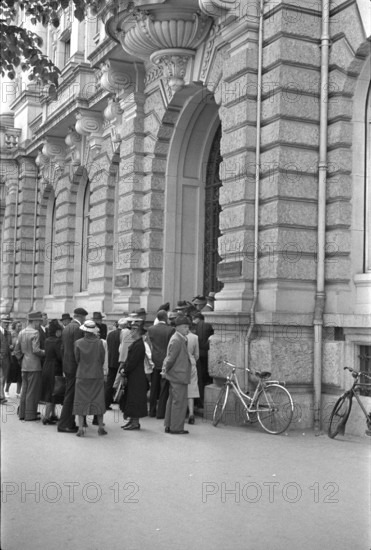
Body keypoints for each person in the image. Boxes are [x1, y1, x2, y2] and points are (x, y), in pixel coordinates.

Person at [73, 320, 107, 437]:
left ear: (84, 330)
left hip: (82, 374)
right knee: (98, 400)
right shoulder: (99, 343)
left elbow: (77, 359)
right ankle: (101, 427)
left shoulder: (78, 343)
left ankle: (81, 428)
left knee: (80, 401)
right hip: (96, 374)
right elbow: (102, 359)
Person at [57, 307, 87, 433]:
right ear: (81, 317)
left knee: (70, 394)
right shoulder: (78, 329)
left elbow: (63, 349)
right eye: (85, 317)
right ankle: (65, 424)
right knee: (71, 396)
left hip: (68, 366)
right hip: (75, 367)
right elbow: (78, 350)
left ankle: (68, 422)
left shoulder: (67, 327)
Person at [162, 316, 192, 434]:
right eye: (185, 327)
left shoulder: (178, 338)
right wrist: (165, 370)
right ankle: (176, 427)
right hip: (178, 376)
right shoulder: (177, 340)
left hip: (176, 375)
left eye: (188, 327)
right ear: (178, 327)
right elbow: (170, 359)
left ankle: (169, 425)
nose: (187, 329)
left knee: (173, 401)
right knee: (179, 402)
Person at [14, 311, 45, 420]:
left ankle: (22, 413)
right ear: (34, 321)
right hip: (34, 365)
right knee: (32, 391)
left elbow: (16, 350)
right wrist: (45, 352)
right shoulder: (35, 332)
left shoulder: (21, 332)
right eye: (39, 321)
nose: (39, 323)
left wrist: (21, 359)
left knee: (24, 390)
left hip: (24, 365)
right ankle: (30, 415)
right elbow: (36, 350)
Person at [119, 320, 148, 430]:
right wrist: (123, 369)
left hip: (136, 376)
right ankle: (132, 420)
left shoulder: (139, 344)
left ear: (137, 331)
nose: (131, 331)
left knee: (135, 398)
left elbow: (132, 362)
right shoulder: (137, 343)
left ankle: (135, 422)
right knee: (131, 397)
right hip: (133, 375)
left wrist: (124, 370)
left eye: (133, 329)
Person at [147, 310, 175, 417]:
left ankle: (152, 411)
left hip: (154, 360)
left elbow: (150, 345)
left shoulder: (151, 329)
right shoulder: (170, 329)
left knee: (154, 386)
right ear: (166, 317)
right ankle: (161, 412)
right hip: (165, 360)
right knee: (164, 388)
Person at [40, 319, 63, 425]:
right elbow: (59, 356)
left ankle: (52, 414)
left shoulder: (47, 340)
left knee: (51, 390)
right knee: (52, 392)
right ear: (57, 331)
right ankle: (46, 417)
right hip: (55, 367)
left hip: (47, 366)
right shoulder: (57, 341)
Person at [193, 312, 214, 408]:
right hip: (207, 354)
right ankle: (202, 401)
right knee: (206, 378)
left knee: (199, 379)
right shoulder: (209, 324)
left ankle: (198, 402)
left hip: (198, 354)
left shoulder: (198, 325)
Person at [105, 318, 125, 410]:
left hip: (111, 361)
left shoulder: (110, 334)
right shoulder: (125, 334)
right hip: (120, 361)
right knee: (122, 383)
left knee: (110, 383)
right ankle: (121, 403)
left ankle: (106, 403)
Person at [5, 321, 23, 398]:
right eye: (18, 326)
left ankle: (18, 392)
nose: (20, 327)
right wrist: (10, 346)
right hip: (13, 356)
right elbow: (7, 344)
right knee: (10, 374)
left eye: (21, 326)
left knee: (20, 375)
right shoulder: (11, 334)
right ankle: (6, 390)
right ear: (14, 326)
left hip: (21, 356)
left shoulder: (22, 334)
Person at [186, 322, 200, 425]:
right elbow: (197, 354)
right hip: (191, 363)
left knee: (180, 388)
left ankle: (181, 413)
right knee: (191, 388)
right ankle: (191, 413)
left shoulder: (177, 335)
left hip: (180, 365)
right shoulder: (195, 337)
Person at [0, 314, 12, 404]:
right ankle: (1, 396)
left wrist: (11, 347)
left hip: (6, 359)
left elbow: (9, 345)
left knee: (4, 378)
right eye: (5, 322)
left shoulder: (8, 333)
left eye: (8, 323)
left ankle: (1, 395)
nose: (7, 324)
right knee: (1, 377)